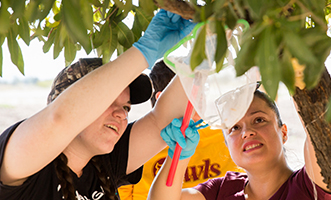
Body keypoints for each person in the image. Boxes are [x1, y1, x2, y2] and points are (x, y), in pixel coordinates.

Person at [0, 10, 196, 200]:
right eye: (109, 102)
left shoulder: (104, 164)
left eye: (127, 107)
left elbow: (160, 120)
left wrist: (202, 50)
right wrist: (144, 52)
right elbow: (59, 119)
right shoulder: (25, 163)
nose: (122, 114)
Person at [147, 86, 331, 200]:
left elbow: (320, 130)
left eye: (259, 120)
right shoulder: (221, 191)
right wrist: (178, 155)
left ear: (283, 132)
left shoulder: (310, 185)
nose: (247, 132)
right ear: (226, 144)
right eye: (234, 128)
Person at [117, 60, 244, 199]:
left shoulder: (226, 136)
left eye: (202, 90)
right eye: (191, 91)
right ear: (161, 99)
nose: (200, 98)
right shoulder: (136, 149)